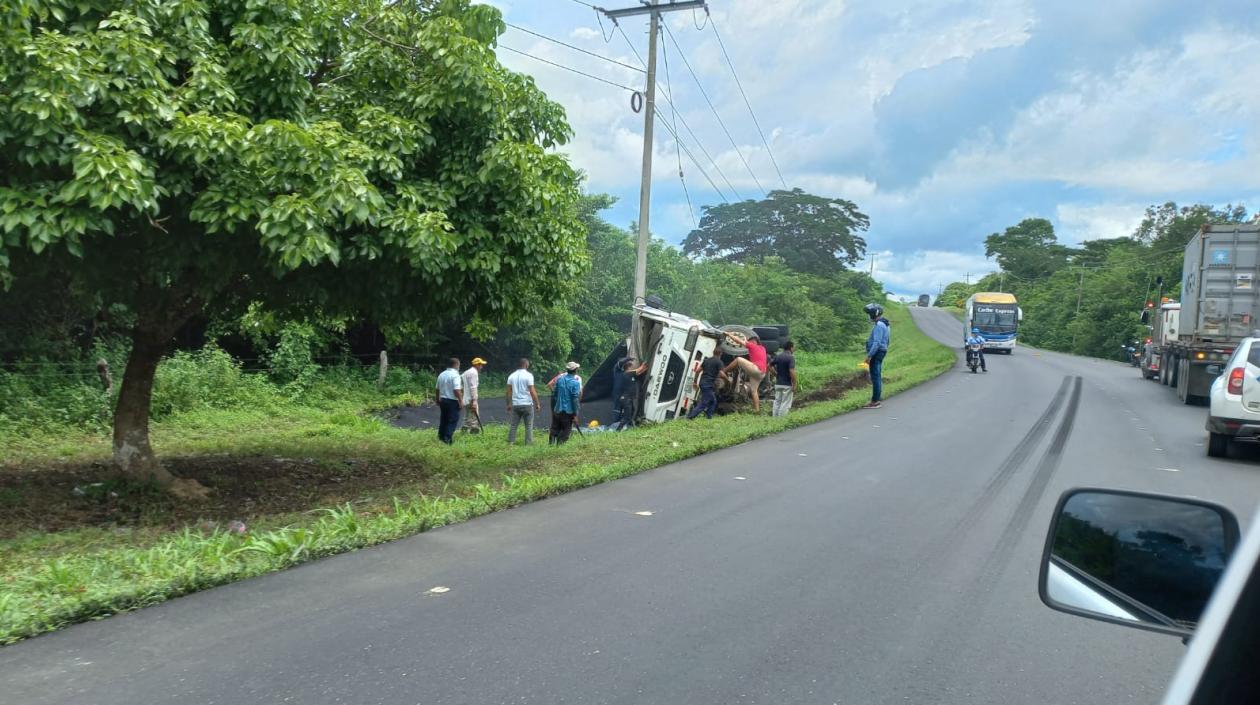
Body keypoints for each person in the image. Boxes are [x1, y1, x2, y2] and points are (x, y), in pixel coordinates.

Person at [722, 332, 768, 413]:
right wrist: (745, 339)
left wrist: (729, 335)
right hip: (762, 373)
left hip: (756, 369)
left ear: (754, 342)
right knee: (754, 391)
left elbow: (739, 341)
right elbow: (745, 341)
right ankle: (757, 411)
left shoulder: (752, 345)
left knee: (738, 359)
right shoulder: (763, 348)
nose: (748, 343)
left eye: (750, 342)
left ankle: (723, 371)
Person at [505, 358, 540, 445]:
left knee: (514, 425)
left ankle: (511, 443)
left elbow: (508, 391)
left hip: (516, 404)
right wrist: (537, 403)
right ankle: (528, 443)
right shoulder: (529, 375)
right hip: (527, 404)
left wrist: (509, 404)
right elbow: (532, 391)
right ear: (526, 365)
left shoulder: (511, 376)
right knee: (528, 426)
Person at [863, 303, 890, 409]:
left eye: (869, 314)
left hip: (877, 352)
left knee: (875, 377)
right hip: (881, 351)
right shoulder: (885, 323)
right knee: (877, 375)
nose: (868, 316)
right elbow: (887, 340)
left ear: (874, 314)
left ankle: (875, 401)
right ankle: (877, 398)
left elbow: (877, 342)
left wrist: (869, 356)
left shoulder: (879, 325)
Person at [687, 347, 726, 420]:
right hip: (708, 385)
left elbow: (697, 371)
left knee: (713, 401)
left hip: (703, 383)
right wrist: (727, 379)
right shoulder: (719, 362)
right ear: (720, 354)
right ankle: (690, 417)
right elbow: (721, 374)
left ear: (713, 352)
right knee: (704, 403)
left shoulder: (706, 360)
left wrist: (695, 382)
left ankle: (708, 417)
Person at [549, 362, 582, 445]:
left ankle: (551, 445)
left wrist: (556, 405)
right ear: (575, 370)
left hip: (557, 409)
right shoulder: (576, 383)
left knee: (554, 428)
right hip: (568, 411)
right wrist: (575, 414)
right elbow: (575, 400)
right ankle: (559, 447)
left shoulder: (560, 379)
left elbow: (554, 394)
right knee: (566, 430)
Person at [435, 358, 463, 445]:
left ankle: (441, 436)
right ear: (456, 365)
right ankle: (447, 439)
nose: (459, 367)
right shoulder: (456, 375)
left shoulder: (442, 374)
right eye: (459, 365)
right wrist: (461, 400)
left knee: (444, 419)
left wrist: (437, 399)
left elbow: (437, 389)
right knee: (452, 420)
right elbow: (457, 390)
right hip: (452, 401)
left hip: (443, 400)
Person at [617, 358, 648, 429]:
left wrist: (646, 368)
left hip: (629, 398)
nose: (633, 368)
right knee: (627, 416)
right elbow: (639, 369)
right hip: (626, 398)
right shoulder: (627, 374)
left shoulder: (630, 375)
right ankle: (618, 430)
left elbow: (640, 372)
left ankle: (627, 428)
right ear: (629, 367)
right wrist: (644, 364)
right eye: (632, 367)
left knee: (632, 412)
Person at [772, 340, 798, 417]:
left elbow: (769, 366)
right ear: (791, 348)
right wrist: (794, 384)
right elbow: (792, 371)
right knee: (785, 403)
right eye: (794, 347)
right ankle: (781, 420)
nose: (794, 349)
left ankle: (774, 419)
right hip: (787, 384)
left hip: (778, 384)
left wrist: (775, 374)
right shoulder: (791, 357)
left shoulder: (778, 356)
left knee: (777, 401)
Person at [460, 357, 487, 434]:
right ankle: (474, 434)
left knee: (467, 416)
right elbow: (473, 387)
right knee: (474, 417)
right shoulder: (474, 373)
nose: (482, 367)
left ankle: (463, 432)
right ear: (477, 365)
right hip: (471, 399)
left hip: (465, 398)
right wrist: (474, 401)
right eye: (481, 365)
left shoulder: (466, 372)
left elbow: (461, 384)